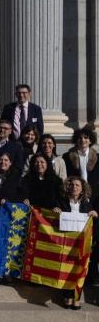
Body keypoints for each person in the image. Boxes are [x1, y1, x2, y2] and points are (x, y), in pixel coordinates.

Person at [53, 177, 97, 310]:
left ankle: (77, 297)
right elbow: (54, 219)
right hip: (66, 241)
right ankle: (67, 295)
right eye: (72, 185)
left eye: (77, 185)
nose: (74, 187)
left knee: (80, 269)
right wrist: (56, 211)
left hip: (81, 242)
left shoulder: (87, 204)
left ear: (82, 189)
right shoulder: (60, 202)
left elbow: (92, 222)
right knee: (66, 269)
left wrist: (95, 214)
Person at [0, 152, 23, 283]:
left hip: (8, 216)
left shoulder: (16, 177)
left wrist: (5, 199)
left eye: (6, 160)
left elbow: (21, 195)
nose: (3, 162)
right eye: (1, 159)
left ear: (10, 163)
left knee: (6, 243)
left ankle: (6, 272)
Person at [62, 125, 99, 200]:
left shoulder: (98, 157)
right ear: (76, 140)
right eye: (80, 138)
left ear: (90, 140)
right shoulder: (66, 157)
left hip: (95, 195)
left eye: (86, 137)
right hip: (74, 194)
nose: (83, 140)